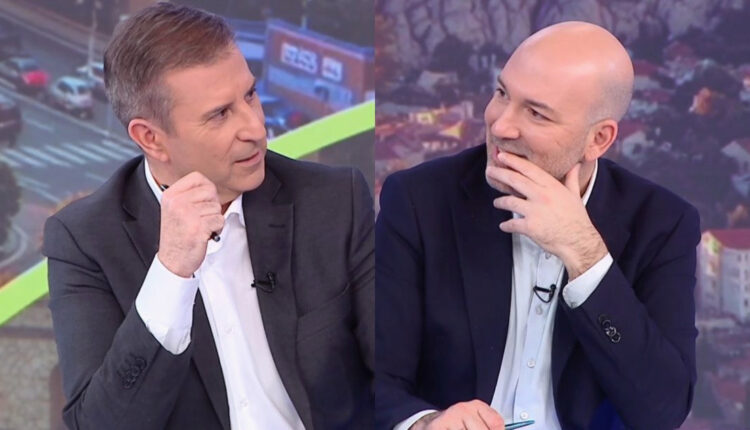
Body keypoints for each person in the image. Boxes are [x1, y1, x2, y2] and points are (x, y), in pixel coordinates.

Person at [43, 3, 373, 429]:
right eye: (220, 114)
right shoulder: (85, 240)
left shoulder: (332, 200)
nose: (255, 128)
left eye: (250, 95)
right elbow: (100, 424)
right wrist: (172, 272)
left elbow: (395, 370)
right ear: (151, 138)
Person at [375, 21, 699, 430]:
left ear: (598, 139)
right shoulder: (419, 199)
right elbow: (373, 378)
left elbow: (663, 409)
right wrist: (426, 423)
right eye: (502, 94)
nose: (500, 126)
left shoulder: (662, 223)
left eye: (536, 113)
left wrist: (584, 253)